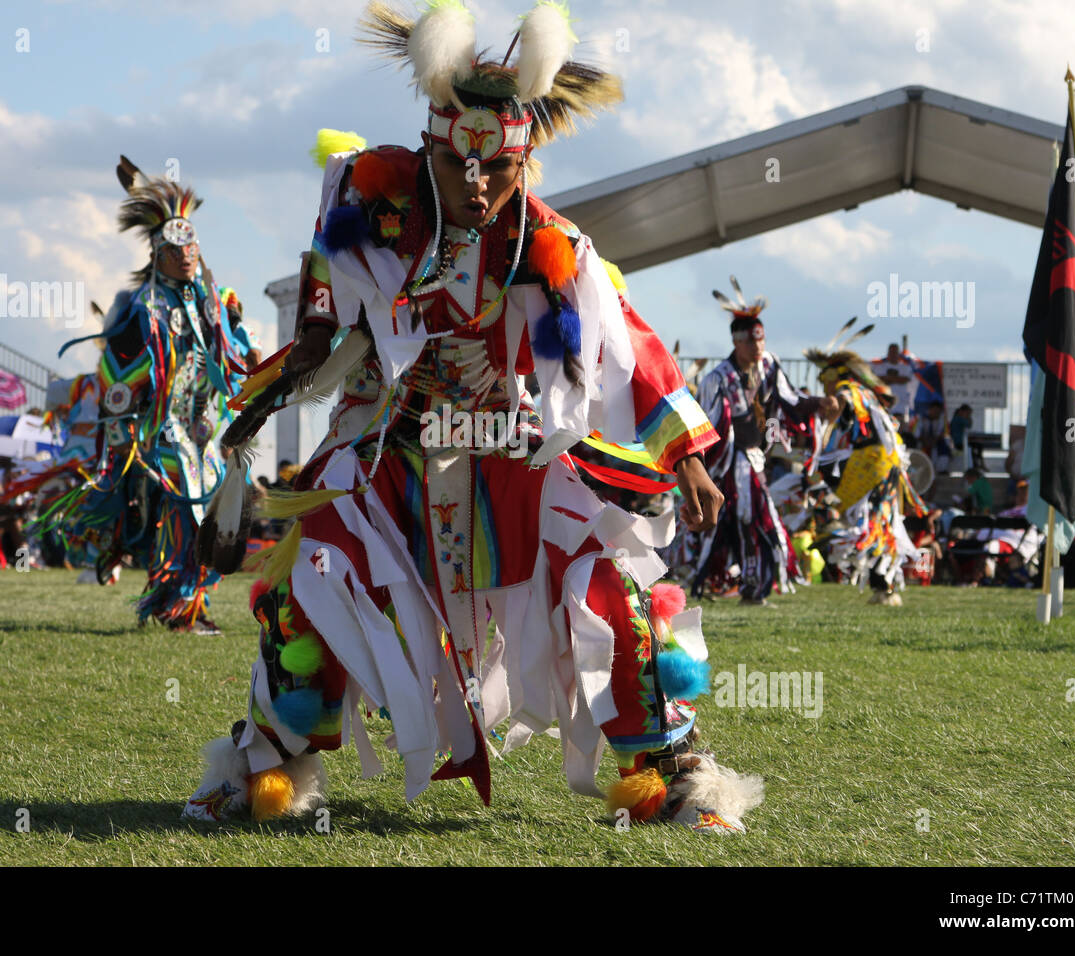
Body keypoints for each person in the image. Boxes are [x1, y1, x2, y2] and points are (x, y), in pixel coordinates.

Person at [183, 1, 762, 835]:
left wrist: (689, 454)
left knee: (609, 588)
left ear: (525, 164)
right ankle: (262, 770)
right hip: (391, 456)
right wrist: (313, 339)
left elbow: (629, 346)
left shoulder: (554, 247)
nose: (480, 185)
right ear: (429, 153)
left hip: (515, 463)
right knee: (314, 577)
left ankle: (674, 773)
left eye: (500, 171)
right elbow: (329, 275)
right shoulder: (374, 213)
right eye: (460, 168)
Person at [20, 155, 250, 633]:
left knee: (210, 510)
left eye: (193, 252)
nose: (187, 260)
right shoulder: (141, 308)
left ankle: (192, 601)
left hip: (202, 428)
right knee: (182, 508)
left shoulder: (213, 300)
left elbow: (235, 357)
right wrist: (127, 419)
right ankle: (177, 605)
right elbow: (116, 375)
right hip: (160, 431)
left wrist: (234, 346)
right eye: (177, 253)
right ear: (159, 256)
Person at [671, 280, 833, 604]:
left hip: (754, 455)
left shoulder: (769, 364)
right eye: (749, 341)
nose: (757, 348)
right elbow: (702, 425)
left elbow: (790, 400)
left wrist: (819, 403)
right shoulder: (719, 378)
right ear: (736, 341)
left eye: (761, 340)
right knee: (750, 518)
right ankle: (738, 584)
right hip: (728, 460)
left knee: (745, 520)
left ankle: (744, 584)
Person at [806, 328, 924, 604]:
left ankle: (833, 533)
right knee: (879, 524)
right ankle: (883, 587)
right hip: (883, 461)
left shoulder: (849, 390)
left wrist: (833, 406)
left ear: (835, 376)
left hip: (872, 461)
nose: (824, 386)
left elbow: (844, 401)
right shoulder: (864, 391)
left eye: (825, 380)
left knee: (844, 508)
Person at [871, 342, 915, 424]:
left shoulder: (905, 367)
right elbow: (878, 380)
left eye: (895, 352)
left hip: (900, 404)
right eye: (891, 352)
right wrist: (896, 379)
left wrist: (888, 378)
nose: (892, 354)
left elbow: (905, 379)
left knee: (900, 425)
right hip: (884, 404)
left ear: (898, 354)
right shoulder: (880, 367)